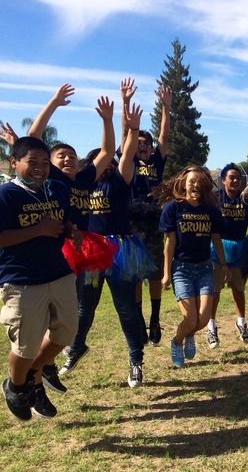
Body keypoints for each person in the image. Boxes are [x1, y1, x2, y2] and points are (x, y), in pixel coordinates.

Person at [59, 103, 154, 388]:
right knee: (84, 307)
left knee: (125, 308)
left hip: (120, 251)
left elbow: (124, 153)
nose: (107, 166)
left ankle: (136, 361)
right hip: (90, 249)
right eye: (101, 163)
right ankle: (76, 348)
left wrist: (132, 128)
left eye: (111, 164)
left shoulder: (120, 183)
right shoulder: (83, 186)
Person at [0, 136, 81, 420]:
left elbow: (64, 222)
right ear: (14, 163)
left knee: (67, 332)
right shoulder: (6, 195)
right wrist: (38, 229)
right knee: (25, 346)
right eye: (31, 162)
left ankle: (33, 373)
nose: (39, 168)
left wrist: (71, 230)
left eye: (44, 163)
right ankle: (17, 386)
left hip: (60, 273)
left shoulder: (57, 190)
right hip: (22, 280)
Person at [159, 167, 230, 367]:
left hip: (205, 268)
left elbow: (216, 238)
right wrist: (166, 274)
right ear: (183, 184)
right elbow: (169, 243)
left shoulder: (210, 211)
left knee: (203, 319)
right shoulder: (173, 208)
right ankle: (177, 341)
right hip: (182, 270)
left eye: (199, 182)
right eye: (191, 181)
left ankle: (189, 335)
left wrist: (223, 264)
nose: (195, 185)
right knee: (191, 320)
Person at [119, 78, 171, 347]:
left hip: (154, 222)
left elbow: (164, 135)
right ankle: (139, 317)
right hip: (133, 222)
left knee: (153, 272)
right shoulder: (127, 162)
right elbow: (125, 132)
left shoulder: (157, 161)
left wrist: (166, 108)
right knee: (137, 272)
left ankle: (155, 317)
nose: (143, 146)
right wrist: (125, 102)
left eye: (146, 144)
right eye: (139, 143)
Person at [205, 163, 248, 349]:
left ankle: (241, 323)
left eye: (238, 178)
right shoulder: (215, 198)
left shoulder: (245, 199)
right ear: (223, 180)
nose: (235, 180)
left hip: (239, 248)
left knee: (238, 288)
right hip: (218, 248)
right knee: (215, 291)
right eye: (231, 177)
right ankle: (211, 327)